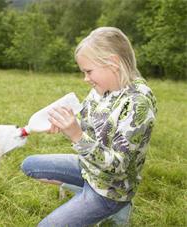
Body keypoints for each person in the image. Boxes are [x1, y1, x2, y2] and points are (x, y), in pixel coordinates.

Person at [21, 27, 157, 226]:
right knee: (29, 165)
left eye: (88, 71)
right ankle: (82, 191)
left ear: (113, 63)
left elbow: (119, 168)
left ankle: (118, 207)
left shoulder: (138, 104)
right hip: (88, 167)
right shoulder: (101, 88)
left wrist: (76, 136)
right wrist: (62, 124)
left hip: (110, 189)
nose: (85, 78)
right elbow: (84, 119)